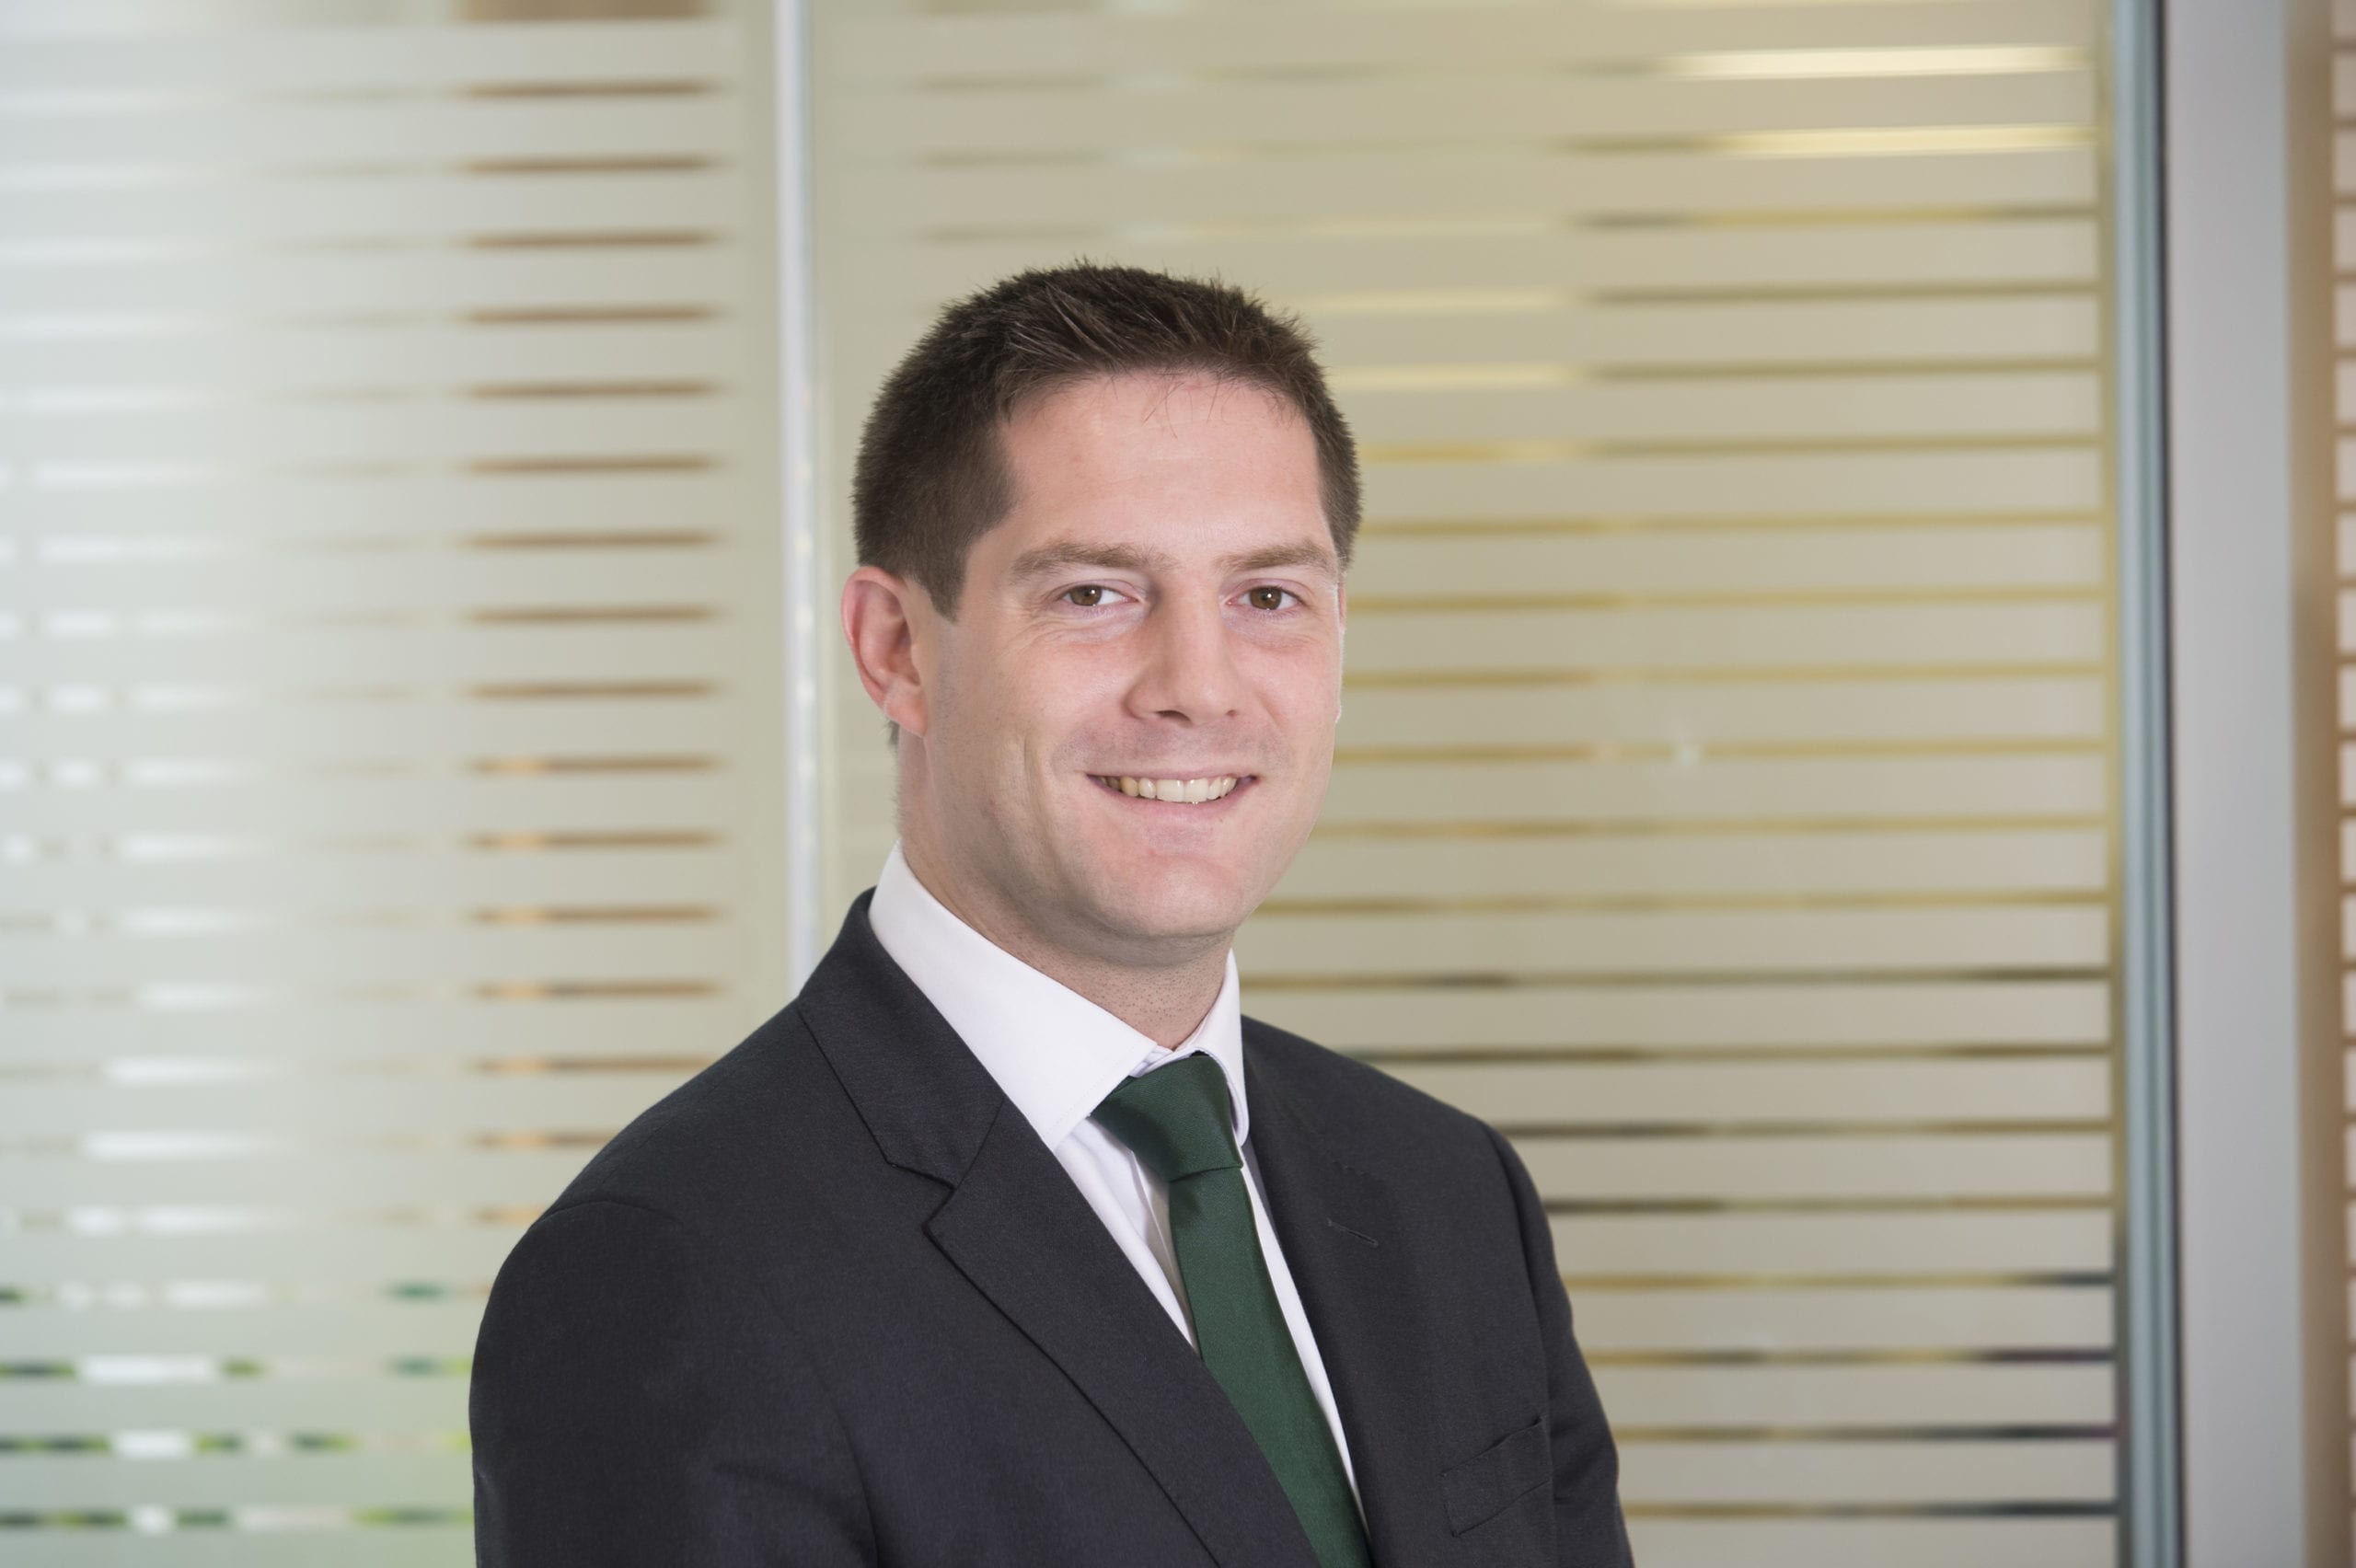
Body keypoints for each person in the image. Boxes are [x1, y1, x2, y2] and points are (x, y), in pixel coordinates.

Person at [469, 263, 1632, 1567]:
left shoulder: (1446, 1195)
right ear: (897, 650)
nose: (1199, 687)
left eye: (1269, 597)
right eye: (1093, 592)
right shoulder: (675, 1276)